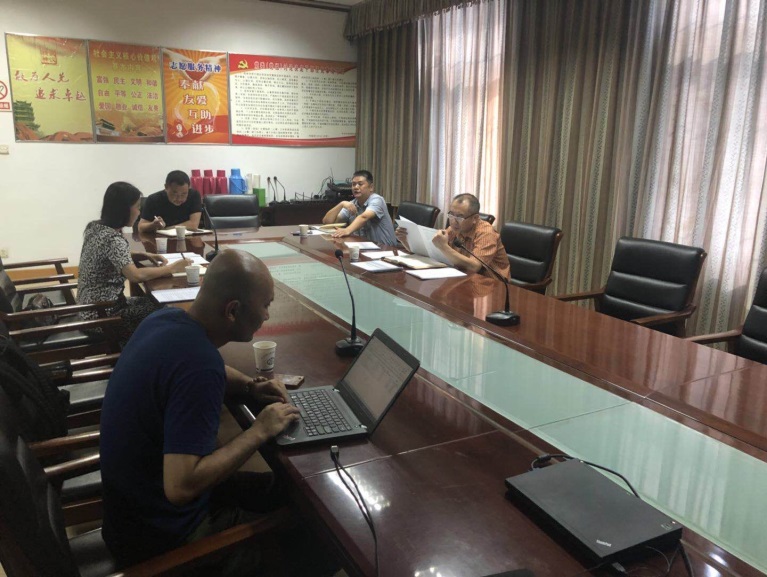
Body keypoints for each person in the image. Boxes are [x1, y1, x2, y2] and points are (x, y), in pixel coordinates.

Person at [100, 250, 330, 576]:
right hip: (161, 542)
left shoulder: (165, 319)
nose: (267, 315)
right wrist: (259, 430)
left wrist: (250, 386)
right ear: (232, 311)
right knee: (319, 539)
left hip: (129, 515)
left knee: (282, 490)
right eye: (265, 305)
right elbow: (181, 487)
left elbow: (214, 368)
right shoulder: (199, 367)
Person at [77, 182, 191, 345]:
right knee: (169, 314)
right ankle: (149, 352)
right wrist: (172, 268)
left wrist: (142, 254)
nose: (139, 212)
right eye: (137, 207)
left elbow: (108, 255)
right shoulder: (113, 239)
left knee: (156, 302)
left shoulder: (95, 228)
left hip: (88, 308)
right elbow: (135, 275)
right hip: (103, 316)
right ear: (124, 209)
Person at [396, 193, 510, 279]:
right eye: (451, 215)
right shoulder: (454, 229)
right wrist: (405, 241)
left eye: (459, 217)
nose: (453, 221)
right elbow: (431, 253)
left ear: (475, 218)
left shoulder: (486, 233)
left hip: (492, 285)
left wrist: (443, 246)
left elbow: (474, 266)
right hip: (464, 277)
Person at [322, 170, 397, 246]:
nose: (356, 187)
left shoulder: (377, 200)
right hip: (364, 247)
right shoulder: (352, 204)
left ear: (371, 187)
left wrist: (347, 230)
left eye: (360, 184)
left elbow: (364, 217)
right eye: (353, 184)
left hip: (385, 249)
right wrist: (341, 204)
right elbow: (328, 222)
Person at [138, 170, 202, 233]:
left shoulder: (194, 195)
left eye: (184, 194)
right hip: (161, 238)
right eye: (175, 194)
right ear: (166, 187)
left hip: (188, 238)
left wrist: (166, 229)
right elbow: (141, 227)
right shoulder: (154, 199)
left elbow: (193, 225)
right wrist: (153, 225)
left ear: (189, 187)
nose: (179, 199)